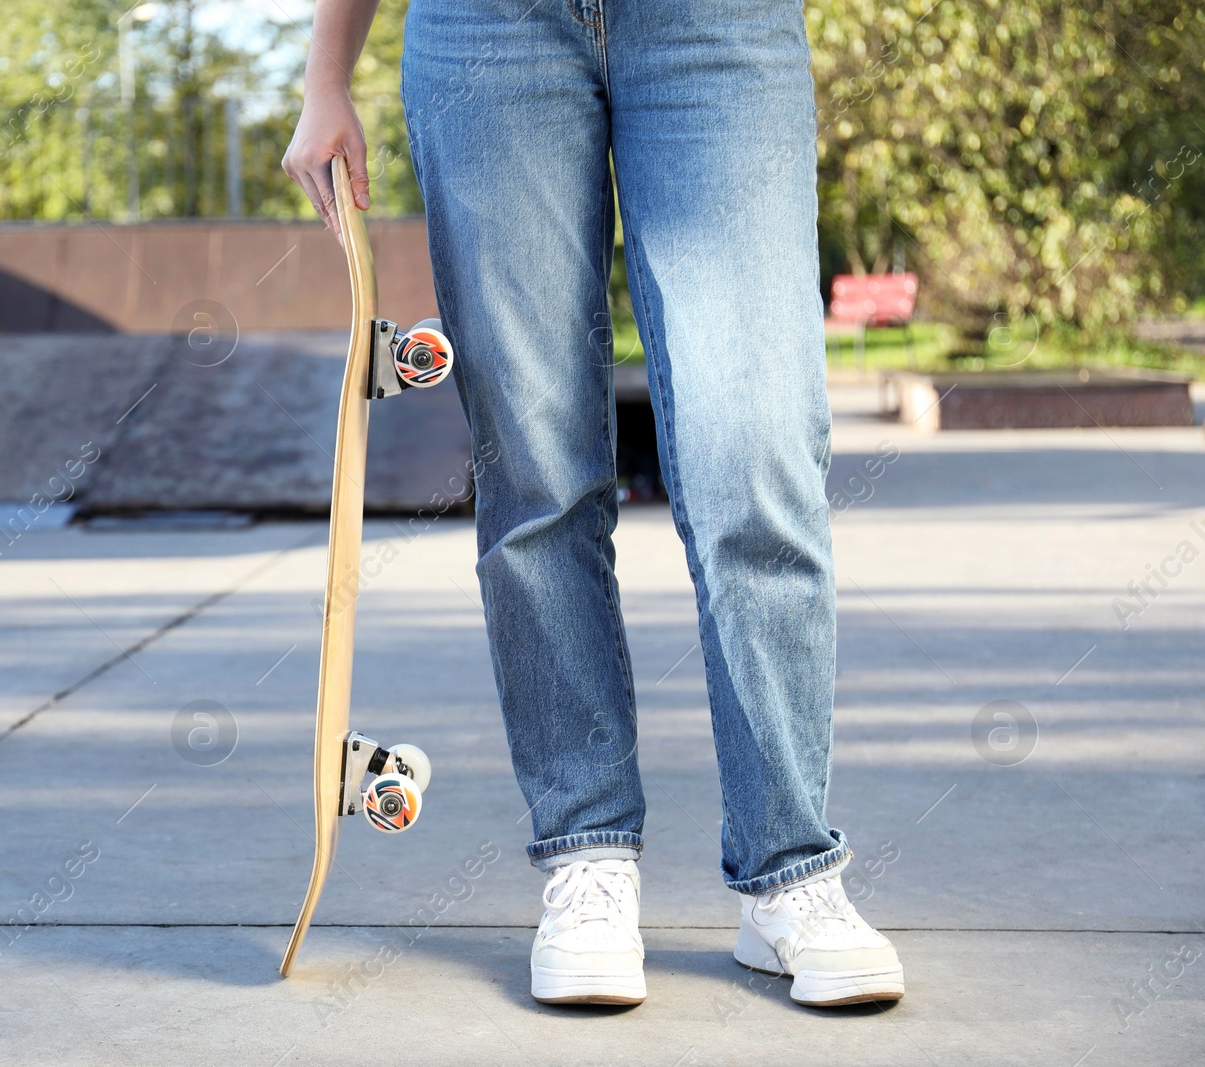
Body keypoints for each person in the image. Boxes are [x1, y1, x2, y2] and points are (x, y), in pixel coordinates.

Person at [284, 0, 903, 1008]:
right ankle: (588, 857)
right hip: (489, 31)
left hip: (716, 29)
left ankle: (790, 868)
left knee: (756, 450)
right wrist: (324, 77)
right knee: (533, 469)